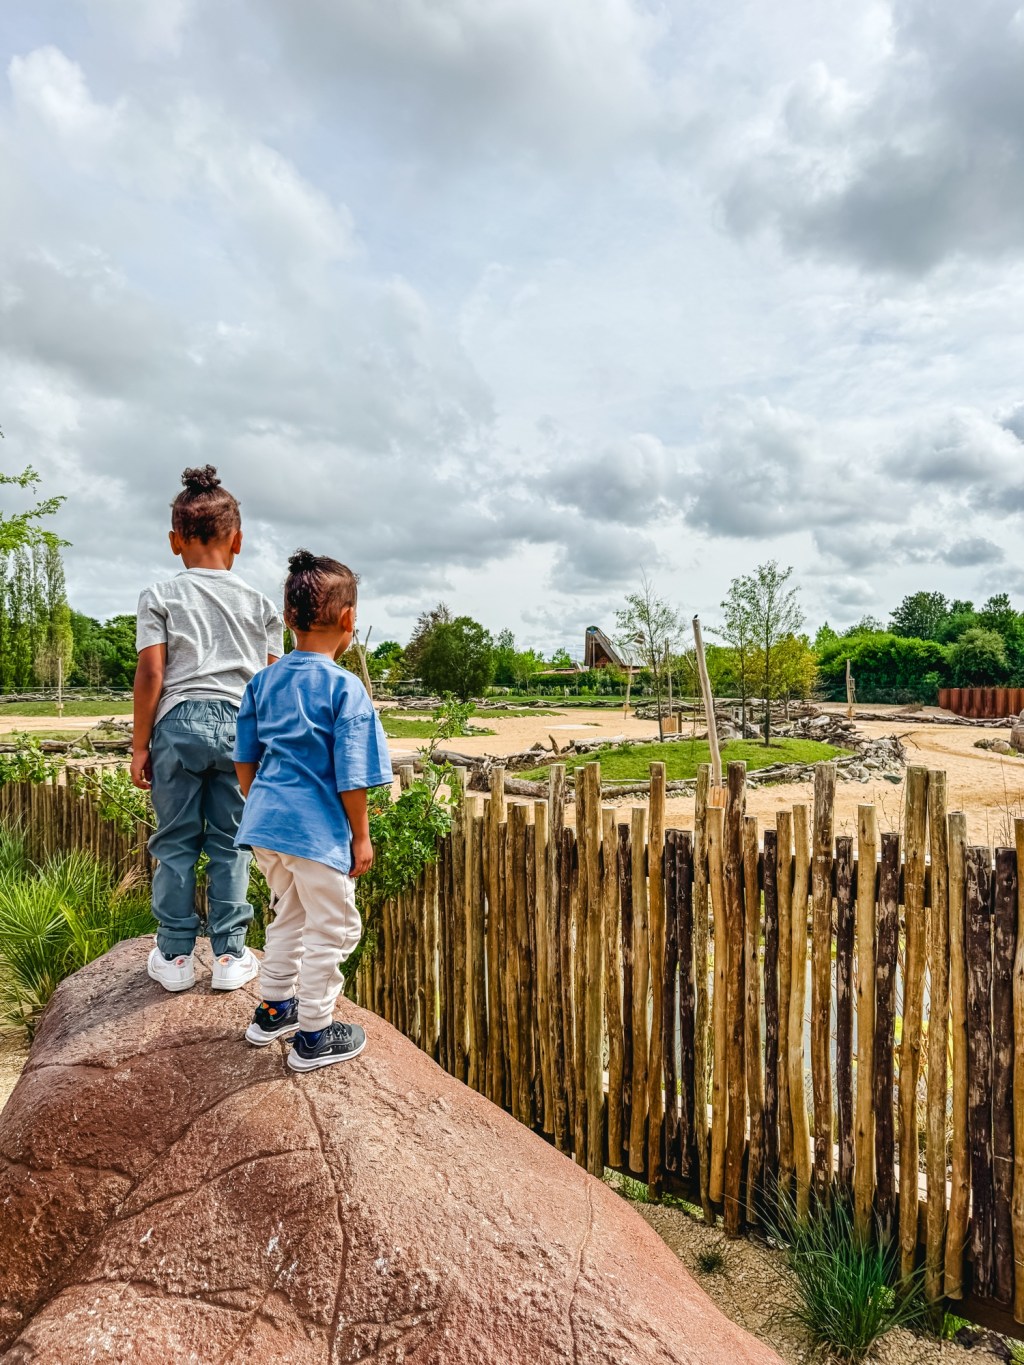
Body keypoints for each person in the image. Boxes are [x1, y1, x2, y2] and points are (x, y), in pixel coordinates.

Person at [233, 549, 392, 1072]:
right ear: (349, 620)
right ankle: (315, 1034)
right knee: (334, 928)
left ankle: (274, 1009)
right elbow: (353, 774)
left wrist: (263, 807)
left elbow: (245, 759)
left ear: (287, 619)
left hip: (265, 826)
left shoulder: (263, 681)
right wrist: (360, 836)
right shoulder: (346, 688)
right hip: (317, 834)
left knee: (290, 916)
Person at [133, 466, 284, 993]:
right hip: (241, 728)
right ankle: (229, 956)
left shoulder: (159, 594)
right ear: (237, 541)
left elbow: (152, 672)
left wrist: (139, 746)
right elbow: (268, 682)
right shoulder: (262, 604)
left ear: (175, 540)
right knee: (231, 844)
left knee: (174, 841)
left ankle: (174, 956)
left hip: (176, 723)